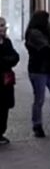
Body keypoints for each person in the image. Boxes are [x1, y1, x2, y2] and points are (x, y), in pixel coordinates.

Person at [25, 10, 50, 138]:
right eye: (46, 19)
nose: (48, 22)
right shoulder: (34, 33)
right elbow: (46, 48)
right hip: (38, 70)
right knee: (39, 99)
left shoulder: (46, 32)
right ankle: (37, 125)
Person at [0, 17, 20, 145]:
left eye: (3, 25)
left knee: (4, 107)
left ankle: (0, 133)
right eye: (1, 26)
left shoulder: (7, 42)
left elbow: (15, 57)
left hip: (5, 81)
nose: (3, 28)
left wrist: (4, 61)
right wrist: (6, 61)